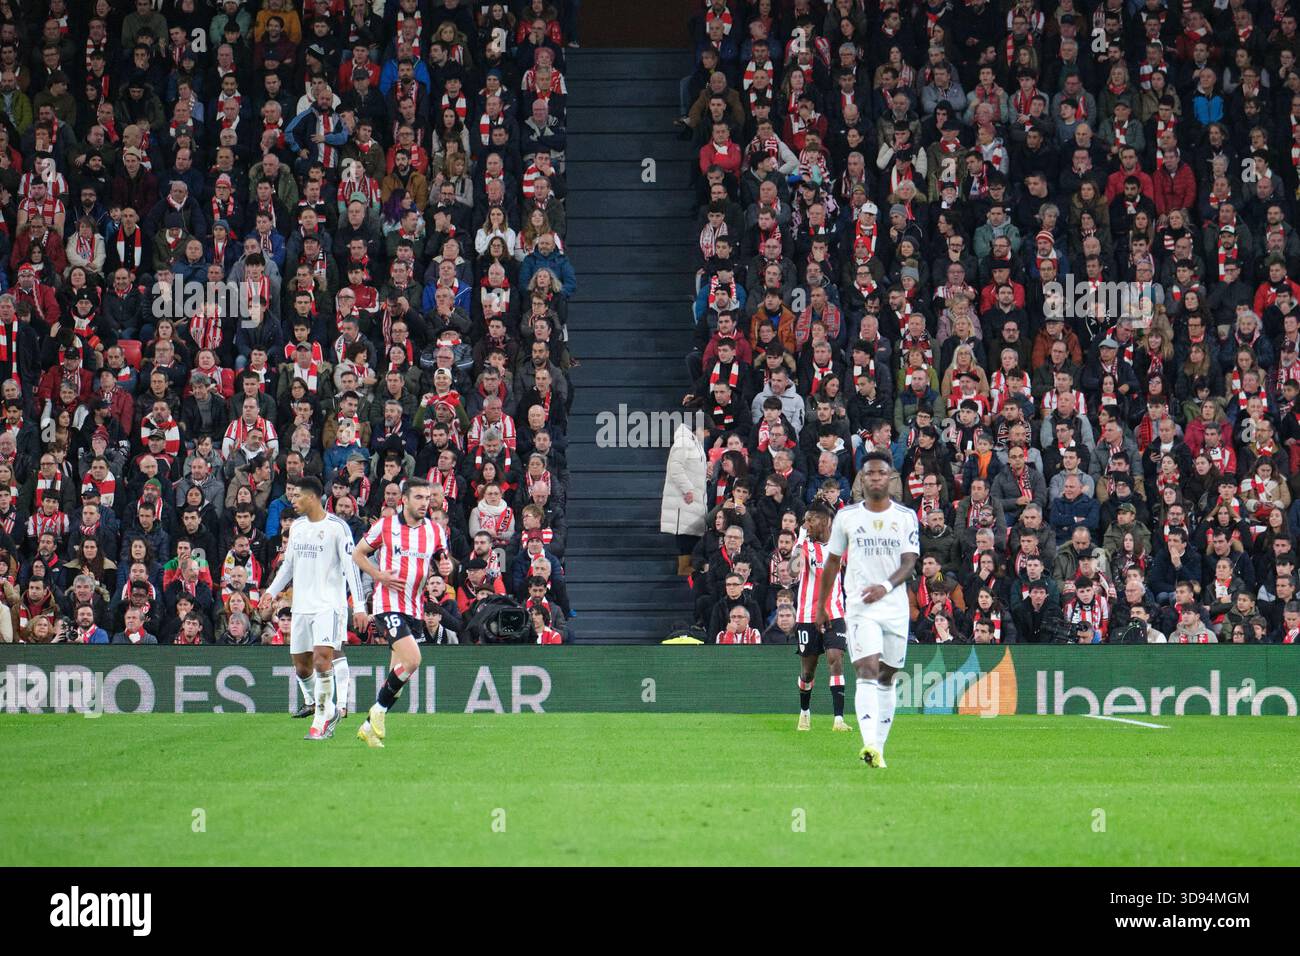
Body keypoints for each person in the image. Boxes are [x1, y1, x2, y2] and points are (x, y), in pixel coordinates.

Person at [817, 452, 920, 768]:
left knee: (888, 676)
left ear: (890, 478)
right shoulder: (847, 517)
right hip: (860, 606)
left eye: (881, 473)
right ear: (862, 479)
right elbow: (832, 562)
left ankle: (880, 748)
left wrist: (885, 588)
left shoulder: (905, 516)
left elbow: (909, 562)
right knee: (866, 669)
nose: (875, 478)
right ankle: (870, 745)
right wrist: (822, 604)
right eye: (870, 473)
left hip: (894, 607)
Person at [261, 477, 366, 740]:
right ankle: (316, 703)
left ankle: (323, 716)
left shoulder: (337, 528)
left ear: (312, 498)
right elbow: (288, 565)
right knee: (302, 667)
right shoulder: (297, 527)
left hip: (328, 605)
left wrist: (361, 606)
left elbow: (351, 566)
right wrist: (271, 591)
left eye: (297, 496)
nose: (293, 501)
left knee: (322, 659)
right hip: (302, 605)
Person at [351, 477, 446, 748]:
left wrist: (446, 566)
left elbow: (441, 556)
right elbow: (357, 554)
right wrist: (379, 575)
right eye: (418, 498)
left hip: (414, 608)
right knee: (413, 660)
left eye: (427, 499)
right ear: (404, 499)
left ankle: (368, 727)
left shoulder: (435, 530)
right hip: (387, 604)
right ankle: (378, 712)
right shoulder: (387, 525)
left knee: (398, 675)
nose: (424, 503)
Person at [790, 501, 850, 732]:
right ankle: (805, 712)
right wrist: (799, 542)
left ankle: (838, 720)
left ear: (825, 521)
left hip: (834, 612)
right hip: (807, 615)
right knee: (808, 671)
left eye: (810, 520)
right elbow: (794, 571)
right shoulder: (804, 545)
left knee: (836, 659)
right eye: (804, 520)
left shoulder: (840, 546)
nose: (806, 524)